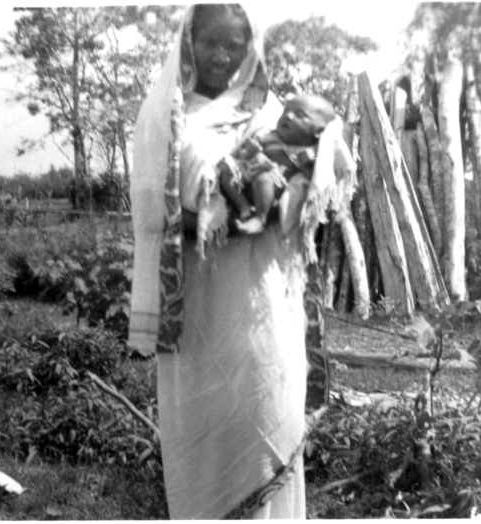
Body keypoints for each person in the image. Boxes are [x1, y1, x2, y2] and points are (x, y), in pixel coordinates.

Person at [129, 4, 346, 519]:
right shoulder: (164, 118)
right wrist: (211, 223)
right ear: (189, 43)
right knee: (206, 444)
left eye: (235, 44)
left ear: (252, 48)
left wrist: (278, 211)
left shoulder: (275, 114)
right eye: (211, 43)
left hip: (266, 308)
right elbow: (149, 220)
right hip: (199, 314)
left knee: (266, 422)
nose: (222, 56)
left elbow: (313, 188)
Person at [218, 94, 337, 235]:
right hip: (247, 177)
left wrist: (269, 166)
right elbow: (243, 156)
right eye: (286, 111)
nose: (288, 116)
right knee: (224, 167)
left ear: (318, 131)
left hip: (271, 187)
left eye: (300, 115)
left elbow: (305, 172)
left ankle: (260, 219)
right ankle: (242, 205)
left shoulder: (307, 152)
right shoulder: (268, 135)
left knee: (263, 176)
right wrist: (249, 152)